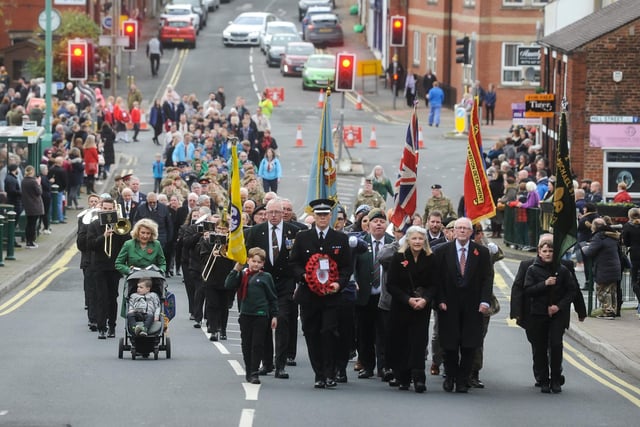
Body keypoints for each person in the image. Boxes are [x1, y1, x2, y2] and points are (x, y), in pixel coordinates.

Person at [289, 198, 352, 388]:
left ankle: (330, 372)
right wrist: (304, 276)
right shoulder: (303, 237)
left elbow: (347, 267)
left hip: (331, 297)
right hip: (309, 295)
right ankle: (319, 373)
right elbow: (294, 263)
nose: (322, 218)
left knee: (329, 333)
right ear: (313, 216)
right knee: (311, 333)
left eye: (326, 215)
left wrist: (338, 284)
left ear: (331, 216)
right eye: (319, 215)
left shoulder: (340, 239)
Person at [245, 198, 301, 379]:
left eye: (278, 212)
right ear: (265, 214)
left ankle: (280, 364)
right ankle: (267, 362)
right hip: (262, 284)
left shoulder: (295, 231)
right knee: (265, 323)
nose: (275, 215)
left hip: (285, 283)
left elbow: (298, 259)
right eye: (271, 212)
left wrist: (297, 282)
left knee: (283, 321)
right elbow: (248, 256)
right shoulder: (255, 232)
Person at [436, 217, 493, 393]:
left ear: (471, 232)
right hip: (448, 305)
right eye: (458, 228)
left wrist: (485, 301)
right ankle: (450, 377)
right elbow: (436, 279)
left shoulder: (481, 252)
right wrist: (440, 300)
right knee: (449, 345)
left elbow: (487, 278)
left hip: (473, 306)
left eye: (465, 228)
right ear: (453, 231)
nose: (461, 231)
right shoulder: (442, 251)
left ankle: (462, 380)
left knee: (469, 345)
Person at [386, 226, 436, 393]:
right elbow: (391, 284)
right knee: (402, 341)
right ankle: (403, 377)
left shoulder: (430, 258)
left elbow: (434, 284)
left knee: (418, 342)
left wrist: (425, 299)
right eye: (414, 239)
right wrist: (407, 300)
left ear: (425, 241)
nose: (417, 242)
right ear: (408, 240)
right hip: (402, 306)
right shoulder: (398, 257)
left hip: (422, 307)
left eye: (420, 239)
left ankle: (419, 378)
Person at [523, 238, 575, 393]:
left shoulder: (563, 270)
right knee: (540, 348)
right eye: (544, 251)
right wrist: (544, 284)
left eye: (551, 251)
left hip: (556, 315)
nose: (547, 254)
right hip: (538, 314)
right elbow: (528, 290)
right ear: (539, 252)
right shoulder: (532, 270)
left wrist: (558, 306)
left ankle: (556, 379)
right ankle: (544, 379)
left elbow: (571, 291)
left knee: (556, 345)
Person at [225, 247, 279, 385]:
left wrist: (274, 315)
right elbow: (228, 285)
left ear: (263, 264)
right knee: (246, 343)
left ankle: (254, 372)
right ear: (248, 260)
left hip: (261, 315)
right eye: (253, 261)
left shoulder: (266, 277)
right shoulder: (242, 275)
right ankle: (249, 370)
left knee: (257, 344)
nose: (256, 264)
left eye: (259, 262)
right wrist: (236, 269)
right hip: (245, 314)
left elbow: (272, 297)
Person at [353, 208, 395, 380]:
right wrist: (353, 280)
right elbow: (352, 265)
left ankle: (384, 367)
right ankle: (367, 365)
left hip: (385, 296)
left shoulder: (394, 243)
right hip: (365, 295)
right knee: (365, 333)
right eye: (375, 221)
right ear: (368, 224)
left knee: (384, 333)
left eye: (382, 221)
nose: (378, 224)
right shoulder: (360, 243)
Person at [87, 195, 131, 339]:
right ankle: (101, 327)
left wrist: (118, 230)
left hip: (114, 267)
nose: (107, 212)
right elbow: (90, 245)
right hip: (99, 266)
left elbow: (127, 244)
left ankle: (112, 326)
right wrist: (103, 236)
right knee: (101, 297)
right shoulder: (94, 225)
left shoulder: (120, 225)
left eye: (110, 209)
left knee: (113, 297)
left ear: (114, 210)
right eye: (104, 209)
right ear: (101, 210)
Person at [199, 216, 236, 341]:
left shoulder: (231, 241)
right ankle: (214, 330)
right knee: (212, 305)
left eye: (224, 229)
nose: (221, 231)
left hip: (226, 277)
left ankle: (223, 330)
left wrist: (224, 255)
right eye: (219, 228)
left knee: (224, 306)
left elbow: (234, 259)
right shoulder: (208, 240)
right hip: (211, 278)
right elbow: (202, 257)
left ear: (228, 230)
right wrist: (212, 253)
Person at [580, 218, 622, 319]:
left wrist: (583, 247)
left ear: (594, 227)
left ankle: (608, 312)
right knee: (611, 291)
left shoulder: (599, 236)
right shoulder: (611, 235)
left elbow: (590, 252)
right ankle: (613, 310)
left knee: (601, 290)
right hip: (615, 266)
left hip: (604, 267)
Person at [21, 166, 44, 249]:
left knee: (29, 223)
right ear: (32, 172)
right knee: (32, 224)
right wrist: (39, 183)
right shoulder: (33, 182)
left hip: (28, 205)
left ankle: (28, 241)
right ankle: (30, 242)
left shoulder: (24, 181)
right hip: (35, 205)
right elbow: (39, 192)